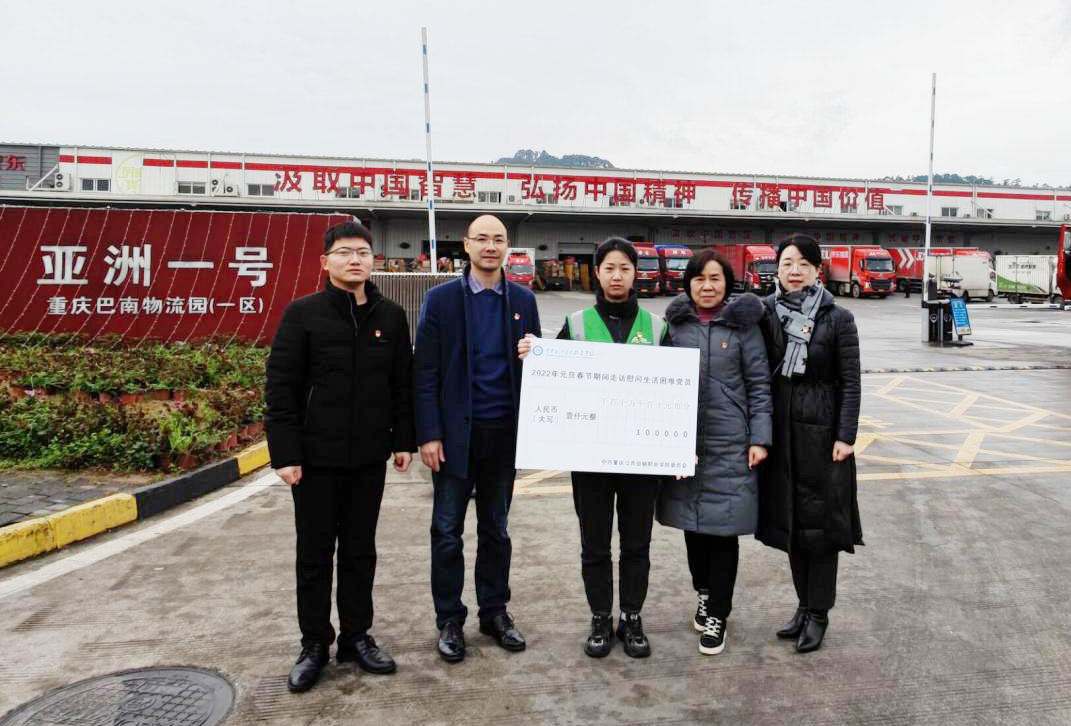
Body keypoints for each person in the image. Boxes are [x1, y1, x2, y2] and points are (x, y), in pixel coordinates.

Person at [265, 220, 415, 693]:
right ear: (325, 261)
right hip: (314, 460)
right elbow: (281, 388)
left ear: (374, 261)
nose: (355, 260)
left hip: (368, 457)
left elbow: (402, 386)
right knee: (314, 555)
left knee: (359, 551)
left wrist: (403, 441)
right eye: (345, 252)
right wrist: (285, 453)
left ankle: (356, 637)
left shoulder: (391, 316)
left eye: (363, 252)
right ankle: (314, 643)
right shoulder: (302, 314)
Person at [519, 237, 670, 659]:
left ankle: (632, 617)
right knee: (595, 544)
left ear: (635, 273)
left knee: (637, 543)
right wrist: (536, 354)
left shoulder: (658, 327)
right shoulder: (577, 323)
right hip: (590, 458)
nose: (617, 276)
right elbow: (552, 378)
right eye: (609, 268)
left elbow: (676, 392)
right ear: (598, 273)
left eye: (625, 268)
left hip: (641, 458)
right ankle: (601, 616)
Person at [414, 214, 541, 664]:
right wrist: (429, 434)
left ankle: (495, 612)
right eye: (482, 239)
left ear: (507, 247)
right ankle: (449, 619)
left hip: (503, 435)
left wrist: (536, 355)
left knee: (496, 530)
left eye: (499, 239)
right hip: (455, 437)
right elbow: (425, 371)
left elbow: (539, 370)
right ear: (466, 246)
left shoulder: (523, 300)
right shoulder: (441, 300)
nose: (491, 246)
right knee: (447, 532)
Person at [655, 249, 772, 656]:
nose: (707, 286)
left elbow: (759, 386)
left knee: (723, 532)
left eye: (715, 278)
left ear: (727, 283)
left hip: (731, 445)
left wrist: (759, 439)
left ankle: (718, 612)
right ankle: (703, 593)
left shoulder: (744, 328)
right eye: (699, 278)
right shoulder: (674, 326)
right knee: (693, 528)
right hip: (684, 445)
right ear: (688, 283)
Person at [757, 234, 863, 654]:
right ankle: (803, 606)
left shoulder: (838, 318)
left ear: (818, 270)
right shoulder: (765, 312)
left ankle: (819, 613)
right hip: (782, 432)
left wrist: (845, 435)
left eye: (804, 263)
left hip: (823, 435)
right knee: (793, 524)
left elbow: (851, 381)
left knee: (822, 528)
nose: (795, 270)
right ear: (777, 269)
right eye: (787, 263)